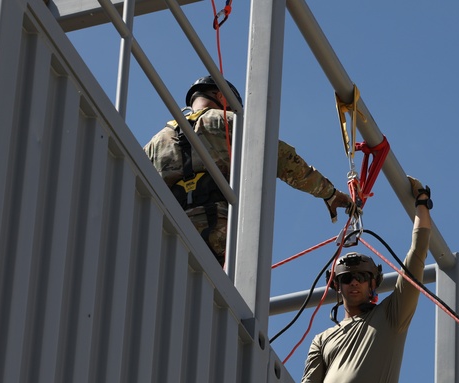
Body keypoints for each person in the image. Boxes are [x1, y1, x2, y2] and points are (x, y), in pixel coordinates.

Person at [298, 177, 434, 383]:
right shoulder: (324, 338)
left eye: (361, 276)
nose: (354, 282)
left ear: (374, 283)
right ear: (338, 287)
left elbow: (416, 258)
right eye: (347, 278)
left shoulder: (391, 315)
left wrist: (422, 203)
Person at [144, 76, 353, 265]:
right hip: (219, 233)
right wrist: (329, 193)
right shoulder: (227, 122)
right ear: (220, 96)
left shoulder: (154, 144)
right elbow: (283, 159)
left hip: (167, 235)